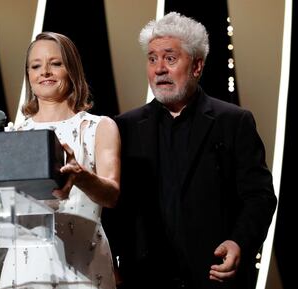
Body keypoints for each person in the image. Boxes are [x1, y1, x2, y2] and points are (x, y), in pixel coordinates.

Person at [109, 12, 277, 289]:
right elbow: (113, 208)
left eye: (170, 58)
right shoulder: (123, 127)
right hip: (145, 278)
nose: (159, 69)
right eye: (152, 59)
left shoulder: (234, 122)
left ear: (197, 66)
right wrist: (112, 264)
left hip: (214, 276)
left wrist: (239, 243)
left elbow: (259, 197)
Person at [0, 31, 121, 289]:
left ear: (71, 70)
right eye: (36, 66)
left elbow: (111, 195)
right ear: (28, 76)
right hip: (25, 267)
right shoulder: (12, 136)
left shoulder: (98, 127)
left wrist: (81, 176)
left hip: (84, 262)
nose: (45, 72)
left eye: (55, 63)